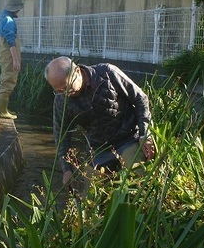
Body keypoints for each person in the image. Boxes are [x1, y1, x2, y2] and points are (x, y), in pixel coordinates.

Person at [44, 56, 155, 187]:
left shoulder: (107, 73)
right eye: (59, 90)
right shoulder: (61, 100)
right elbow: (61, 134)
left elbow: (141, 99)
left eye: (67, 87)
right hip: (99, 149)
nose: (65, 92)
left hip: (128, 138)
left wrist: (144, 135)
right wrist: (67, 169)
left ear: (77, 72)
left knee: (138, 180)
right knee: (90, 196)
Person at [0, 0, 24, 119]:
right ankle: (2, 111)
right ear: (15, 8)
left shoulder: (2, 16)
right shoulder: (8, 20)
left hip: (3, 53)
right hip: (8, 55)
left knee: (6, 79)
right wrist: (16, 60)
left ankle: (4, 109)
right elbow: (11, 41)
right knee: (8, 81)